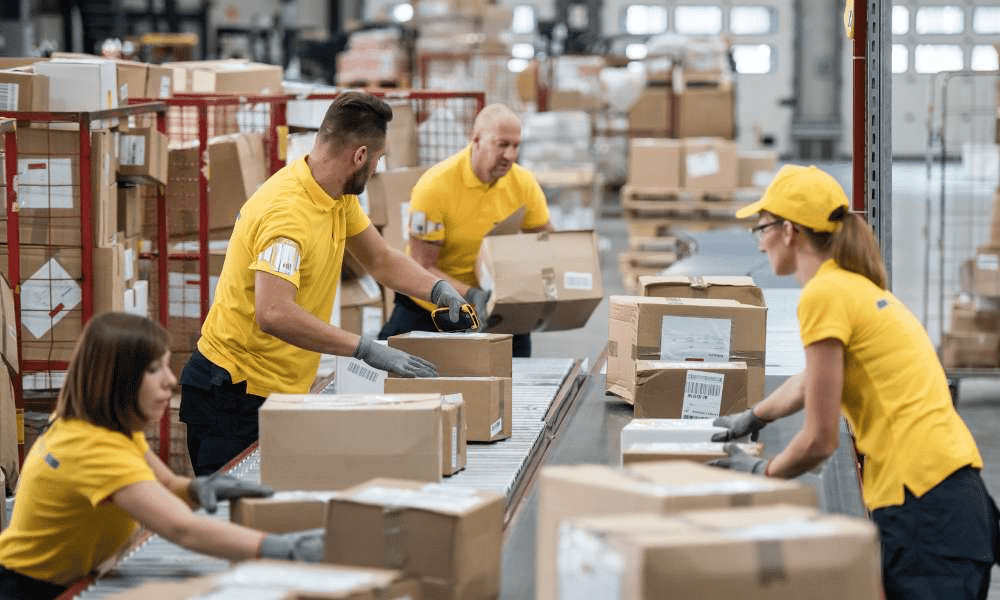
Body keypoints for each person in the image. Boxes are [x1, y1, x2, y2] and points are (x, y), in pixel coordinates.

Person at [710, 164, 1000, 599]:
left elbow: (820, 440)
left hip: (924, 510)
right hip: (948, 501)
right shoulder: (853, 289)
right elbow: (813, 380)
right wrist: (754, 416)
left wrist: (762, 473)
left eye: (762, 228)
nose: (761, 241)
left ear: (789, 231)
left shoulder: (824, 296)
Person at [179, 92, 468, 476]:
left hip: (277, 391)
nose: (379, 170)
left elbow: (380, 260)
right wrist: (364, 349)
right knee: (236, 522)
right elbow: (273, 312)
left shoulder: (334, 195)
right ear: (360, 156)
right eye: (379, 160)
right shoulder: (287, 215)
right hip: (234, 395)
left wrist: (435, 290)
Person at [0, 313, 323, 600]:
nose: (171, 379)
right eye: (155, 370)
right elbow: (181, 529)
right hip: (29, 590)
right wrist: (285, 549)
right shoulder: (92, 448)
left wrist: (198, 489)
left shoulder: (104, 427)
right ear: (117, 382)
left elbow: (165, 484)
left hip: (65, 578)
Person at [377, 103, 553, 357]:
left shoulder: (522, 183)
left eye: (516, 146)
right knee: (391, 373)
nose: (511, 155)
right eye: (502, 145)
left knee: (518, 380)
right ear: (476, 140)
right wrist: (471, 295)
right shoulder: (436, 187)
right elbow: (421, 266)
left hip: (495, 307)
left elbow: (546, 239)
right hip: (432, 308)